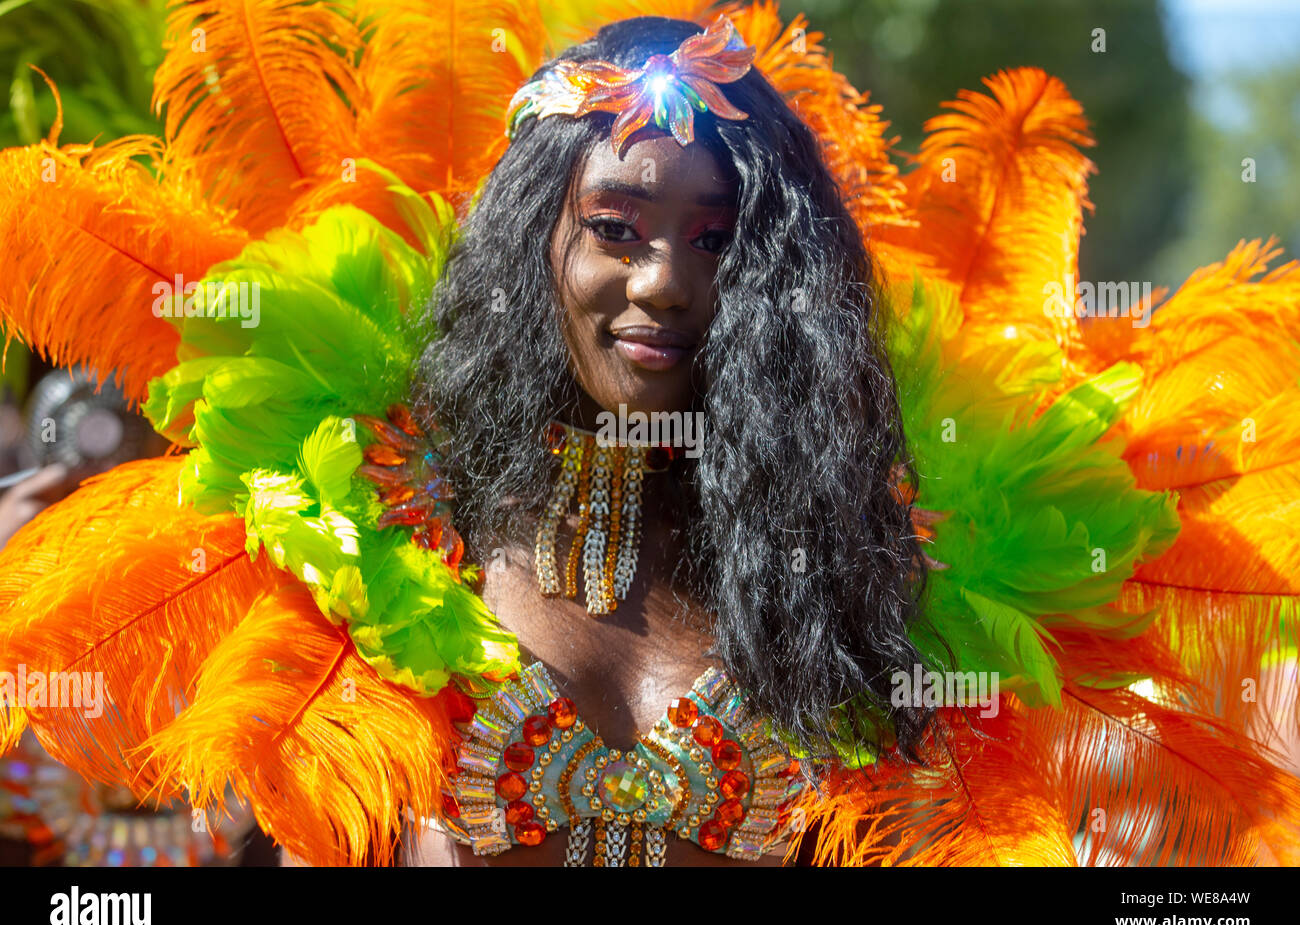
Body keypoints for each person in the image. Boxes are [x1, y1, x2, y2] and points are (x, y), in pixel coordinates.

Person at [1, 5, 1297, 868]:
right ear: (535, 247)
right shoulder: (369, 551)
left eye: (720, 239)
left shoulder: (888, 586)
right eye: (616, 228)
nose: (667, 283)